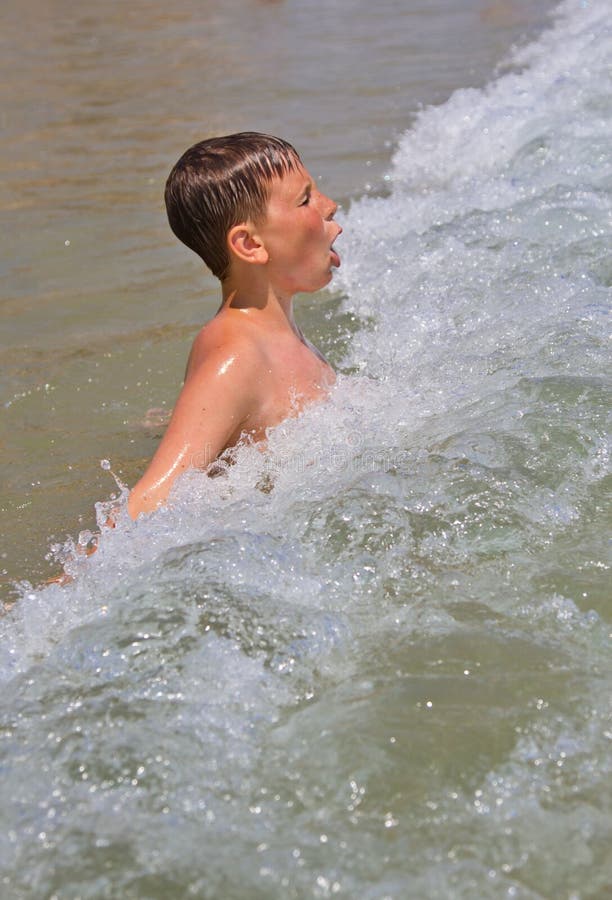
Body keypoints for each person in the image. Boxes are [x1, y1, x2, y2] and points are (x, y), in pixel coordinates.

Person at [127, 132, 342, 519]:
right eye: (305, 199)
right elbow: (150, 502)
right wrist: (74, 579)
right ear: (250, 245)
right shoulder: (238, 357)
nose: (330, 206)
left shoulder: (277, 333)